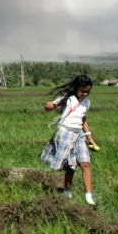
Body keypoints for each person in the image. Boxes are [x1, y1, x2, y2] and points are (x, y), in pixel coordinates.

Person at [40, 74, 98, 206]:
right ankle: (67, 191)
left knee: (85, 164)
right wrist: (48, 106)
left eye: (88, 92)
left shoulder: (87, 103)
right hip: (65, 133)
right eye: (82, 91)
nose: (85, 94)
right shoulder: (67, 98)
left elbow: (83, 120)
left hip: (79, 135)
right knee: (70, 166)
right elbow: (51, 106)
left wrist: (90, 138)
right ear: (76, 88)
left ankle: (89, 196)